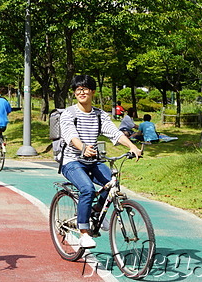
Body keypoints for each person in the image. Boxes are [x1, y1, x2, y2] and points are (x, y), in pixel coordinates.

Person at [59, 75, 142, 249]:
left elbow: (114, 133)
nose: (81, 92)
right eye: (78, 90)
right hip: (72, 161)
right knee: (87, 189)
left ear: (93, 92)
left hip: (93, 161)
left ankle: (95, 212)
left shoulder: (99, 115)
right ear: (75, 93)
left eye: (85, 89)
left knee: (113, 182)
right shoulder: (69, 113)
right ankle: (84, 232)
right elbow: (70, 135)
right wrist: (82, 147)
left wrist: (132, 146)